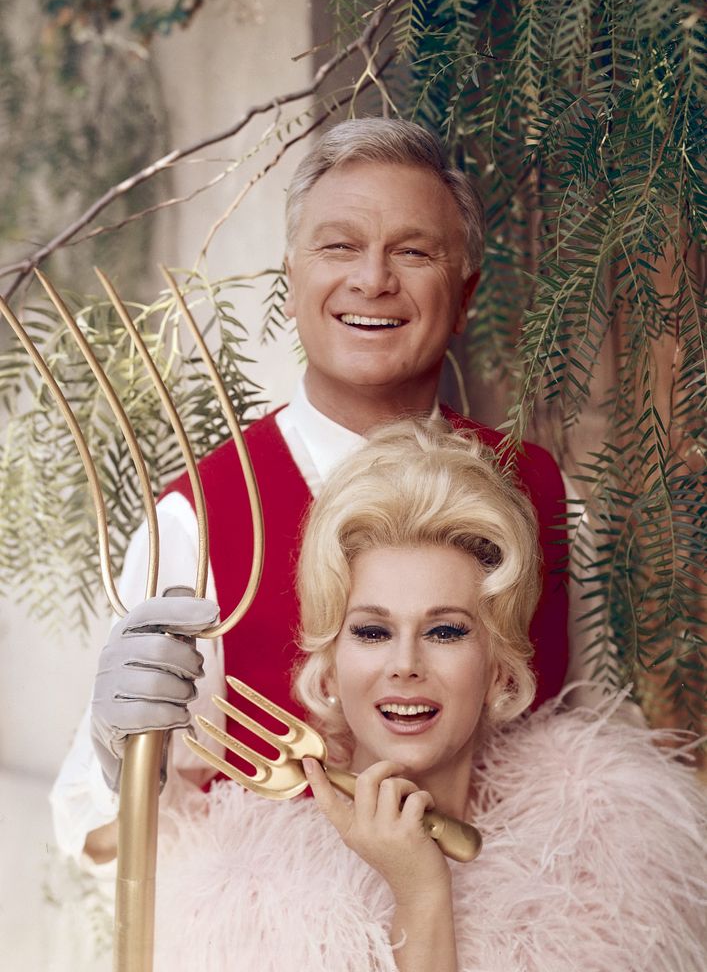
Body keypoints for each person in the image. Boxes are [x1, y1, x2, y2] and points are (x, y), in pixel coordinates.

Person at [51, 117, 576, 868]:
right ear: (291, 283)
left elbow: (586, 750)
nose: (373, 280)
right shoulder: (195, 523)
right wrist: (128, 764)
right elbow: (94, 829)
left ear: (465, 296)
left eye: (413, 251)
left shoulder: (542, 491)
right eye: (338, 247)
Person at [153, 421, 706, 972]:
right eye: (373, 632)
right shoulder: (244, 915)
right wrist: (420, 893)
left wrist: (421, 891)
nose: (405, 665)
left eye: (445, 632)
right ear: (330, 669)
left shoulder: (611, 872)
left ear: (499, 668)